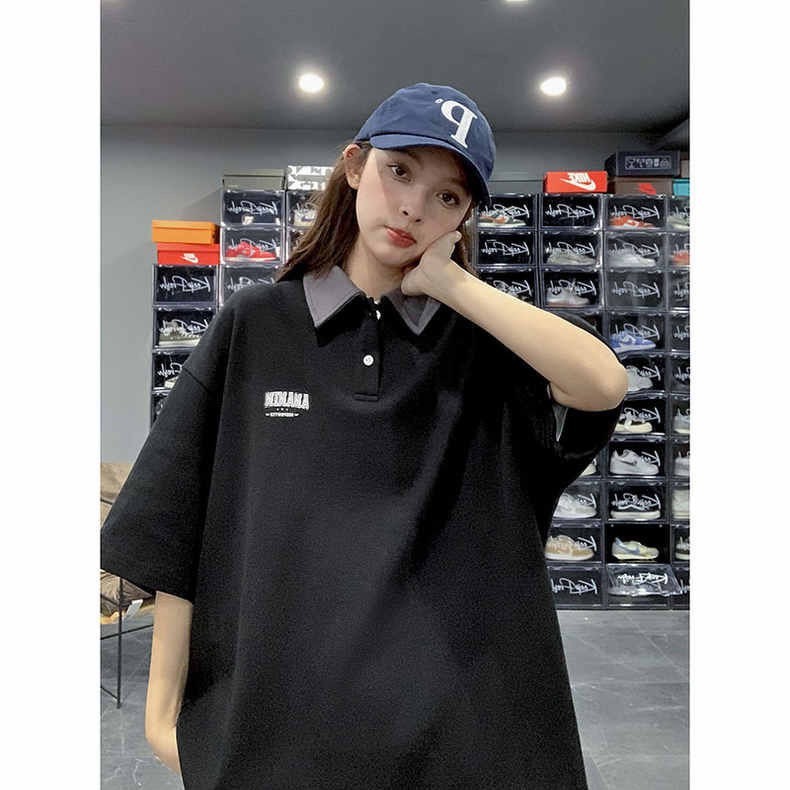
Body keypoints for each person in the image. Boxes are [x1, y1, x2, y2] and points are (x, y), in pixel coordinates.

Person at [101, 82, 627, 789]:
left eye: (448, 196)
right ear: (354, 166)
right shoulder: (256, 325)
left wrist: (452, 286)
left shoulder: (487, 345)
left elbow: (603, 384)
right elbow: (179, 519)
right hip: (282, 732)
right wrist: (162, 713)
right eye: (399, 171)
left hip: (464, 732)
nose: (413, 206)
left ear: (465, 218)